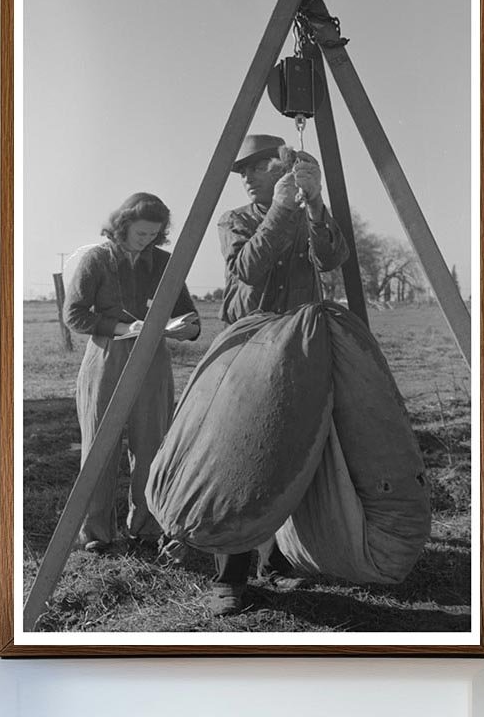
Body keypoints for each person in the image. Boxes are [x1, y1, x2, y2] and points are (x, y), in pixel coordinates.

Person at [207, 133, 350, 614]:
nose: (245, 177)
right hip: (246, 347)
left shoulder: (309, 210)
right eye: (242, 171)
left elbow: (332, 259)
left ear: (282, 165)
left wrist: (315, 204)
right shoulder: (236, 219)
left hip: (297, 345)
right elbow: (247, 269)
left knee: (292, 445)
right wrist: (282, 210)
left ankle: (280, 563)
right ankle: (230, 578)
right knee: (238, 455)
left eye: (254, 167)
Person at [63, 192, 200, 557]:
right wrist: (121, 327)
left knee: (151, 445)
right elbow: (75, 315)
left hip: (153, 361)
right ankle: (96, 532)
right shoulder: (96, 259)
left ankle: (146, 528)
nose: (149, 241)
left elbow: (188, 313)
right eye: (142, 234)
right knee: (99, 446)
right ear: (122, 226)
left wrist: (188, 328)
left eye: (155, 234)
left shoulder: (166, 263)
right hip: (107, 357)